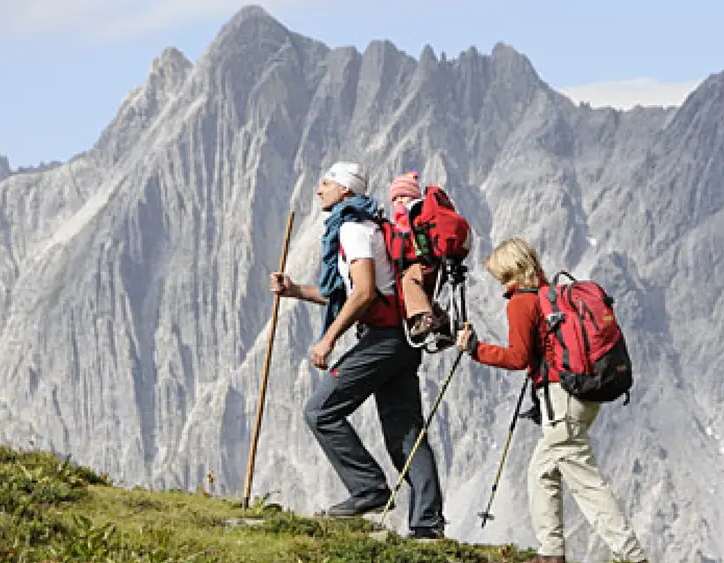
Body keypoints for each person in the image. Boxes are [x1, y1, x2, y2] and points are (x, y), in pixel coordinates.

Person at [269, 161, 446, 538]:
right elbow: (352, 292)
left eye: (326, 183)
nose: (319, 190)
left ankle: (368, 489)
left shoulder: (352, 229)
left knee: (320, 411)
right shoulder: (370, 226)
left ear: (345, 191)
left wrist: (328, 338)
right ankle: (427, 526)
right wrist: (296, 290)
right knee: (406, 434)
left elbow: (363, 292)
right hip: (402, 340)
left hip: (382, 340)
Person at [455, 237, 649, 563]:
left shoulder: (521, 303)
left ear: (508, 272)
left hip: (562, 399)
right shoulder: (549, 297)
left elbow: (518, 357)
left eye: (499, 276)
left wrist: (475, 349)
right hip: (583, 396)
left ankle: (631, 556)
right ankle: (551, 553)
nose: (499, 283)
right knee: (541, 471)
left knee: (585, 482)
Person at [388, 171, 448, 340]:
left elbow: (407, 239)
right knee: (422, 295)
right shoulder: (420, 213)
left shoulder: (413, 213)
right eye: (395, 198)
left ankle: (424, 317)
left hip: (422, 263)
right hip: (433, 264)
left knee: (409, 282)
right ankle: (443, 323)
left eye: (404, 196)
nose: (399, 201)